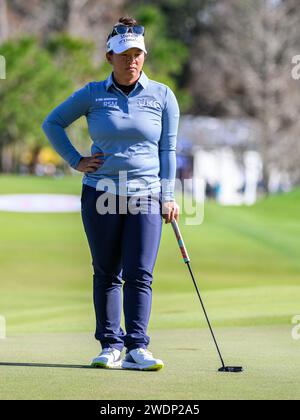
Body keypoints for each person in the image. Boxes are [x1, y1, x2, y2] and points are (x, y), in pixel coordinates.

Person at [42, 16, 180, 371]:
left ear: (144, 56)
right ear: (109, 57)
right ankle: (110, 345)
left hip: (147, 194)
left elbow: (168, 149)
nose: (132, 60)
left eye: (137, 54)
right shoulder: (92, 94)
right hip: (101, 193)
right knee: (106, 271)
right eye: (124, 54)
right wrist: (76, 160)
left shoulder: (162, 96)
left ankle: (138, 347)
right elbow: (52, 123)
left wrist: (168, 195)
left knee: (140, 272)